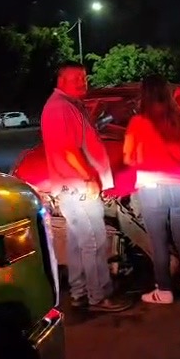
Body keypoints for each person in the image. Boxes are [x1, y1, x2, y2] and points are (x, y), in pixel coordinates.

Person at [41, 62, 132, 312]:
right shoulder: (60, 108)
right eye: (76, 78)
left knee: (78, 243)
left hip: (73, 187)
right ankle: (99, 296)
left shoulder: (68, 105)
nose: (83, 82)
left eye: (84, 77)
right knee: (94, 241)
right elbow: (67, 149)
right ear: (61, 80)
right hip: (79, 187)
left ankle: (79, 292)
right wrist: (89, 176)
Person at [123, 75, 180, 304]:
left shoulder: (138, 122)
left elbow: (128, 158)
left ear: (144, 94)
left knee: (158, 240)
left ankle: (164, 290)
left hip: (152, 186)